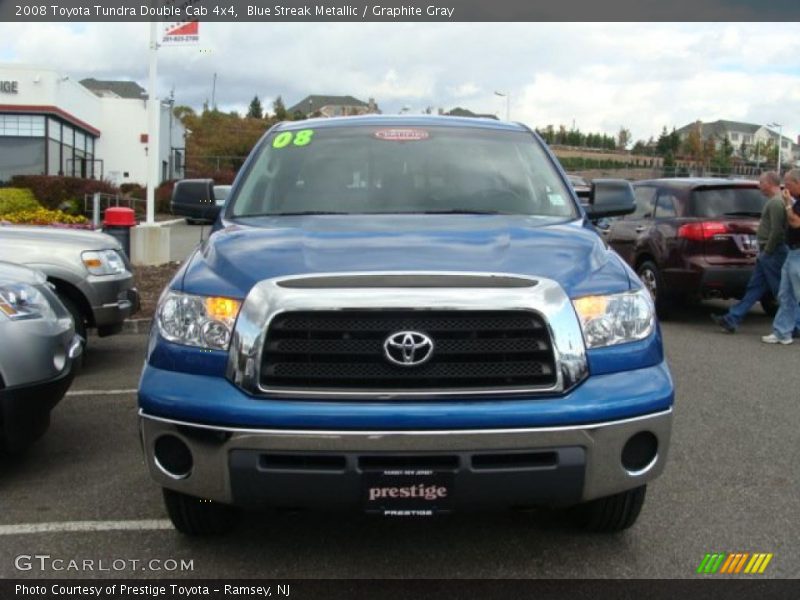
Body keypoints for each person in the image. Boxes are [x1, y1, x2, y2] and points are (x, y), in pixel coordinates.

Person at [711, 171, 789, 333]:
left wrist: (767, 251)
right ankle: (732, 318)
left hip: (772, 253)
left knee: (781, 291)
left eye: (761, 182)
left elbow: (777, 231)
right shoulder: (775, 201)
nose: (759, 186)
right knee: (755, 288)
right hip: (767, 252)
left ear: (769, 183)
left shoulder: (775, 203)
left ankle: (793, 324)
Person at [761, 168, 800, 344]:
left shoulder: (795, 203)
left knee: (796, 293)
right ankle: (783, 332)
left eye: (789, 183)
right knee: (786, 294)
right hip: (791, 252)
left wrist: (787, 204)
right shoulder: (795, 200)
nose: (786, 186)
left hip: (798, 253)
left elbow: (795, 222)